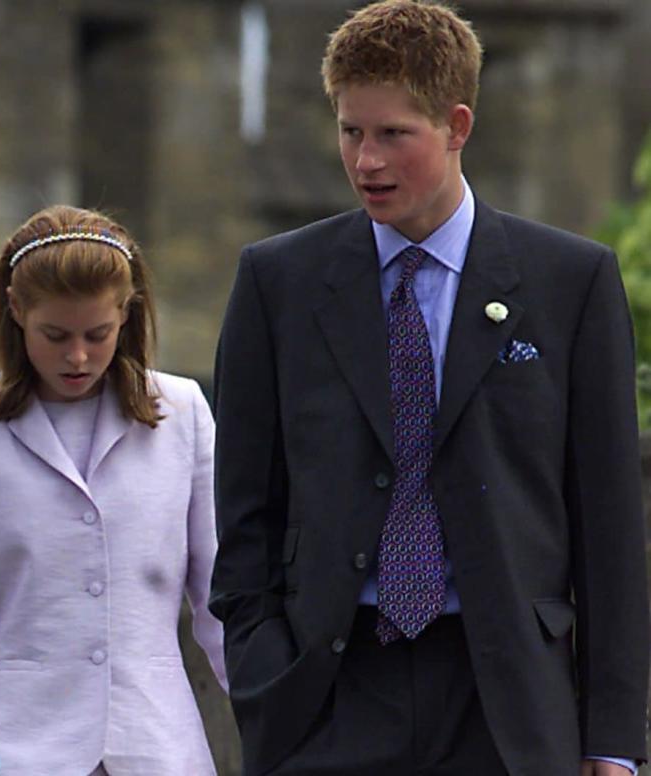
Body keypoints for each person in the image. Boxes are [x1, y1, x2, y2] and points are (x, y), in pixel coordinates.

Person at [209, 2, 651, 774]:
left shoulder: (570, 282)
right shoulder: (278, 282)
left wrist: (612, 739)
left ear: (457, 126)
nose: (366, 162)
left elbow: (609, 524)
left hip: (507, 703)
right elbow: (245, 505)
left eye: (392, 135)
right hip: (326, 697)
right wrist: (263, 669)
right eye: (351, 132)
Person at [0, 204, 228, 775]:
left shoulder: (183, 412)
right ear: (16, 312)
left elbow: (223, 597)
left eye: (98, 335)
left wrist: (281, 723)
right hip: (10, 750)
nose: (78, 356)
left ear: (127, 312)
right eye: (55, 335)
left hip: (155, 748)